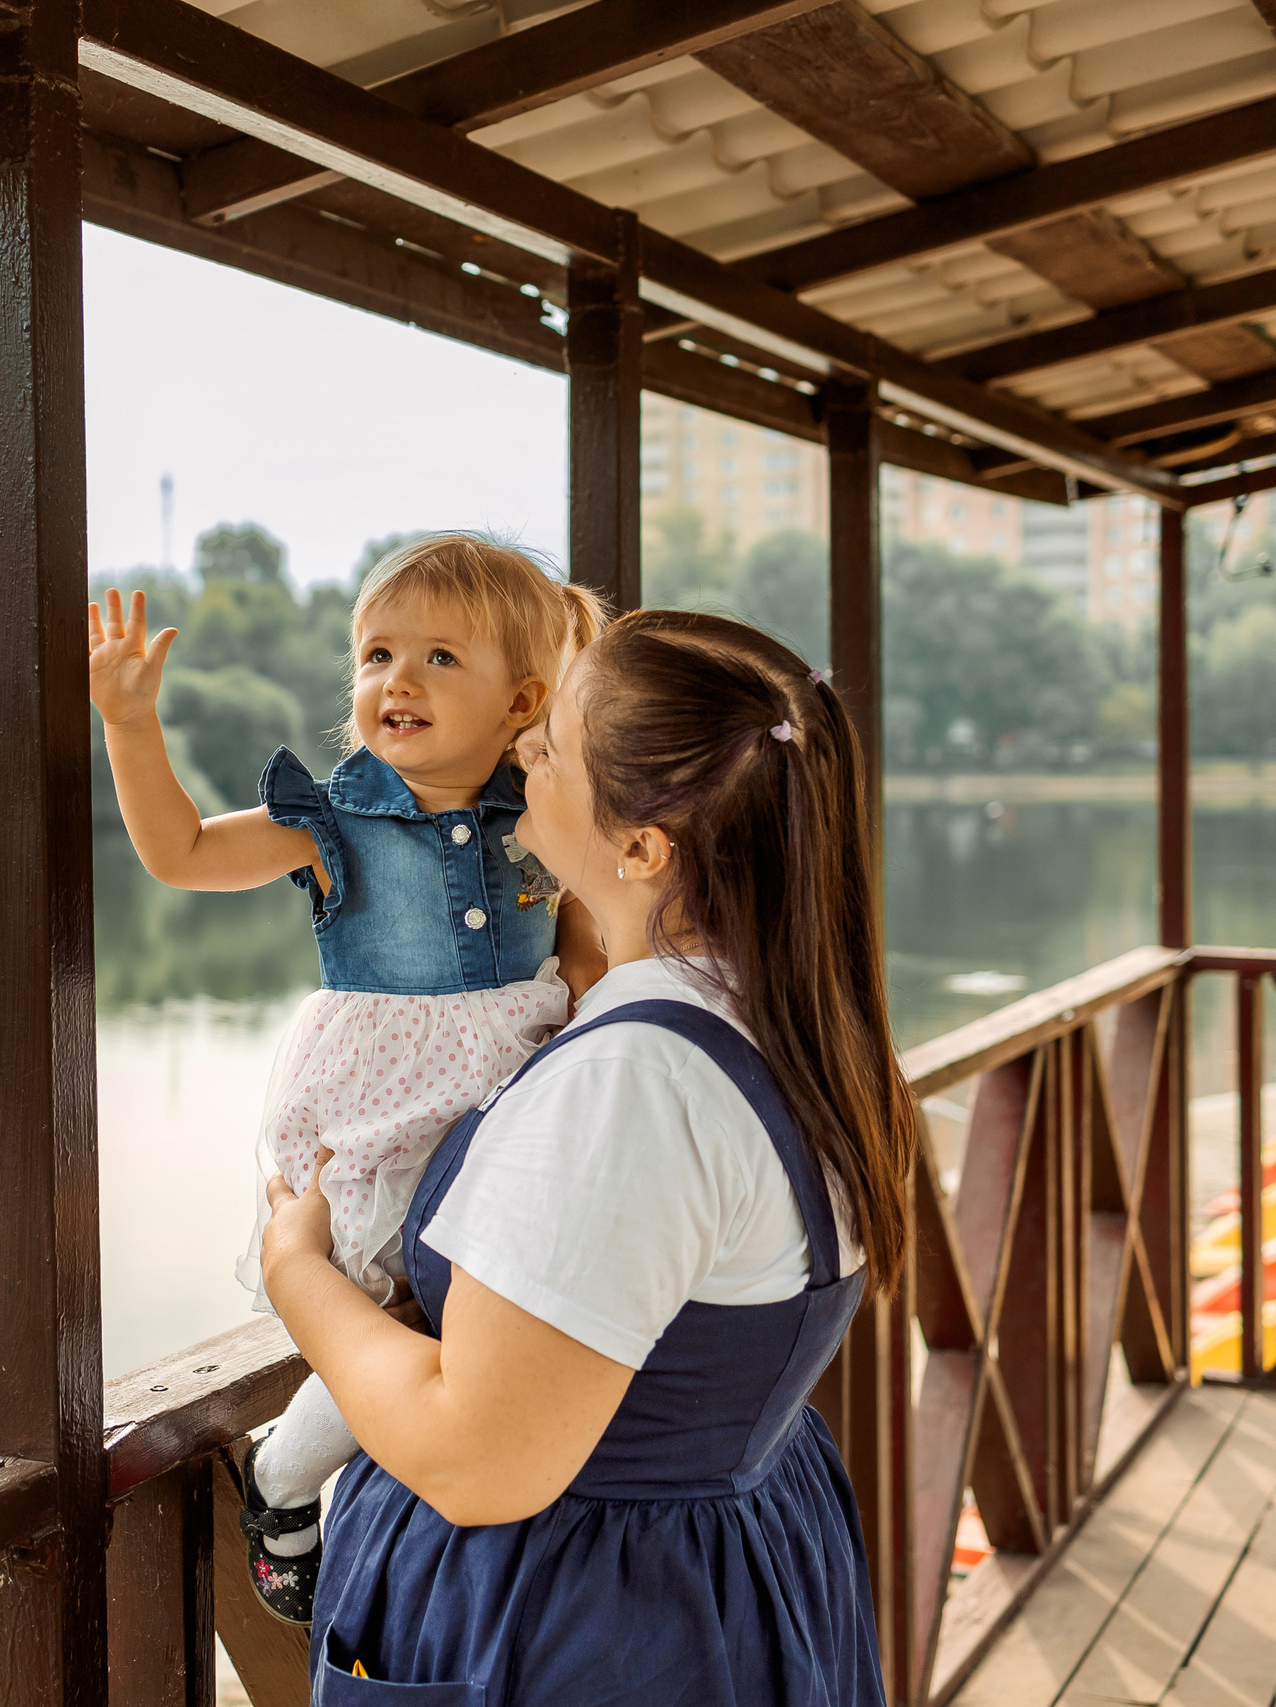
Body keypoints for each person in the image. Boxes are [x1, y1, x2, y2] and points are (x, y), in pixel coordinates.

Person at [259, 607, 921, 1705]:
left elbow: (480, 1461)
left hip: (583, 1618)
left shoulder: (633, 1087)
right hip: (732, 1564)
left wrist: (299, 1275)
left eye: (551, 742)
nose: (520, 752)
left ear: (643, 846)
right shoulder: (796, 1020)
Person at [87, 536, 606, 1624]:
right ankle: (282, 1478)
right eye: (374, 655)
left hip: (515, 1087)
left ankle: (414, 1499)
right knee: (402, 1316)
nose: (394, 681)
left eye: (436, 659)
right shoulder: (332, 819)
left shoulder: (545, 809)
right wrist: (131, 725)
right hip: (384, 1102)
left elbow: (589, 943)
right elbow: (180, 853)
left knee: (503, 1310)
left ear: (522, 700)